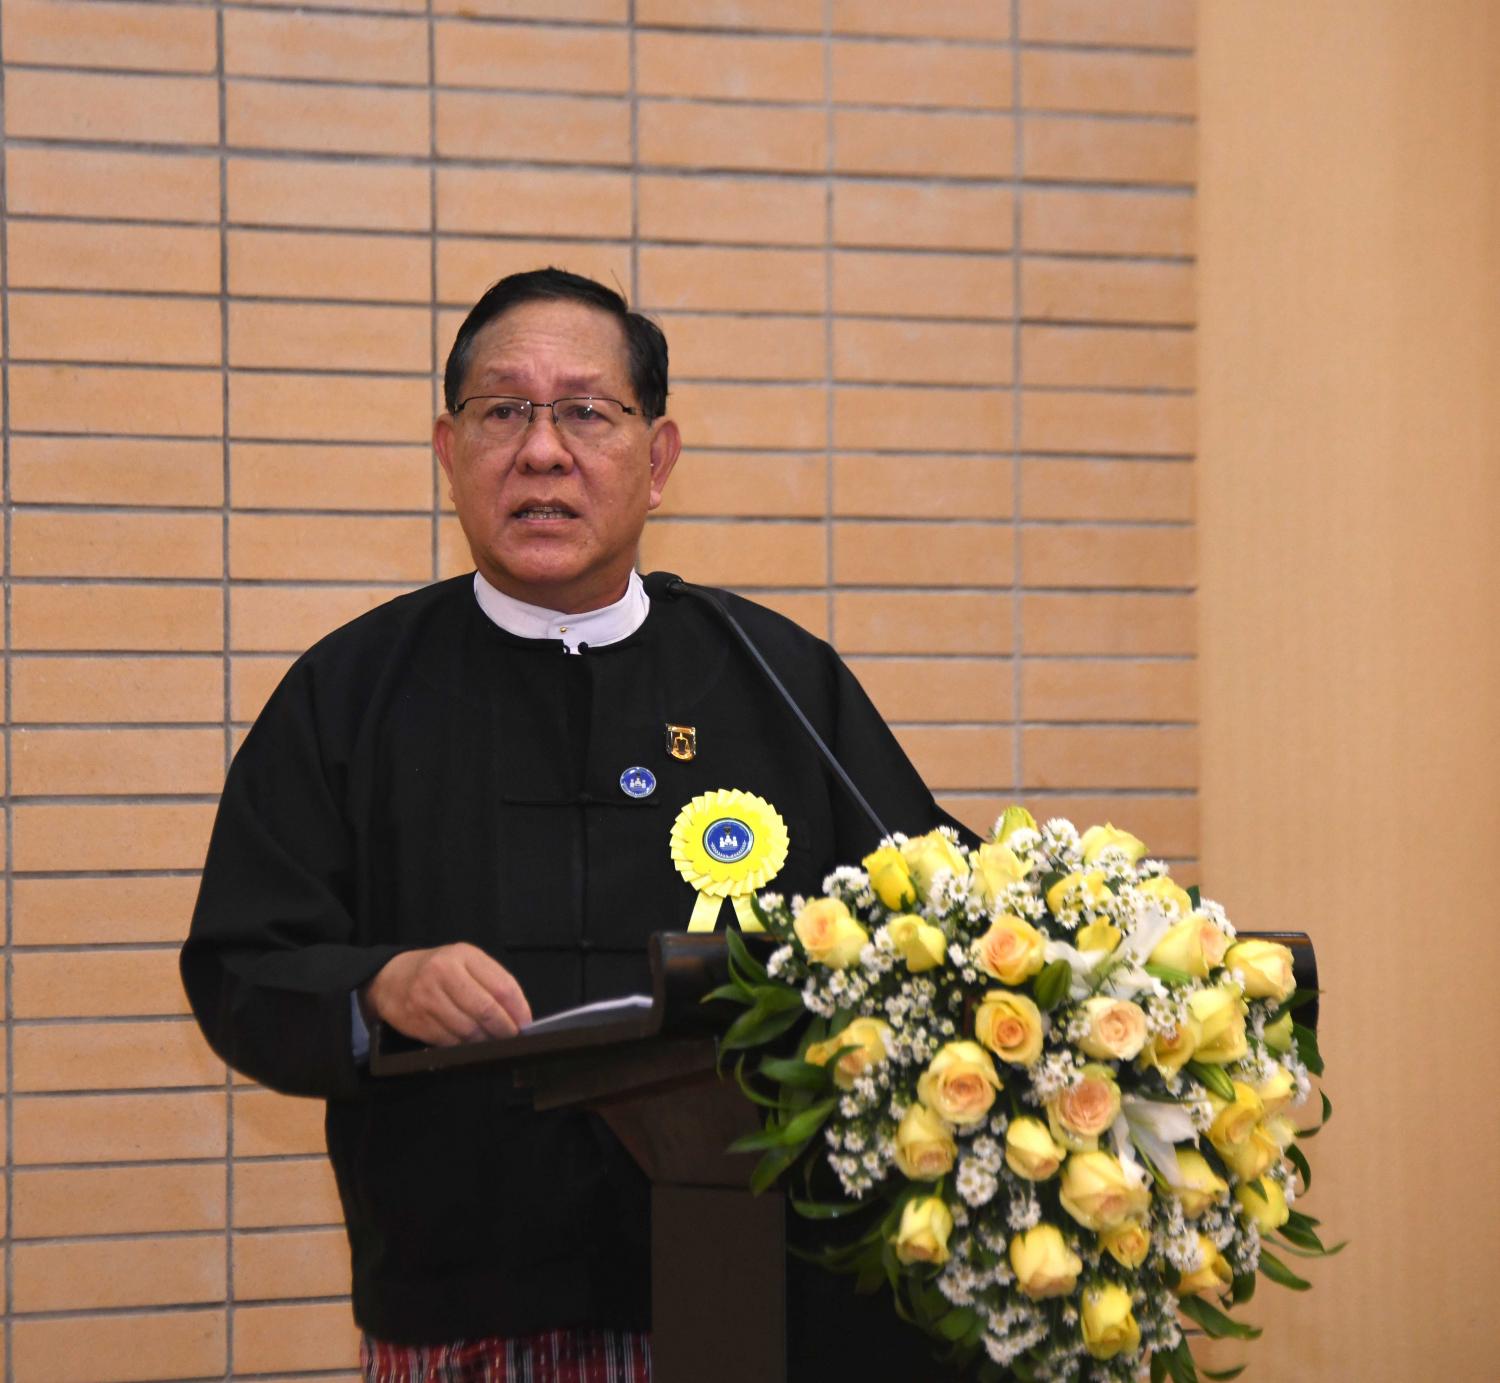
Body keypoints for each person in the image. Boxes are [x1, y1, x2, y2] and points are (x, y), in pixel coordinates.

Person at [182, 268, 966, 1381]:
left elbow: (940, 914)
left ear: (659, 459)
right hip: (464, 1305)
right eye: (504, 411)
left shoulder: (775, 678)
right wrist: (378, 985)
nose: (542, 452)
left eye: (587, 412)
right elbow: (241, 963)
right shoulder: (351, 691)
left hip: (753, 1292)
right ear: (449, 451)